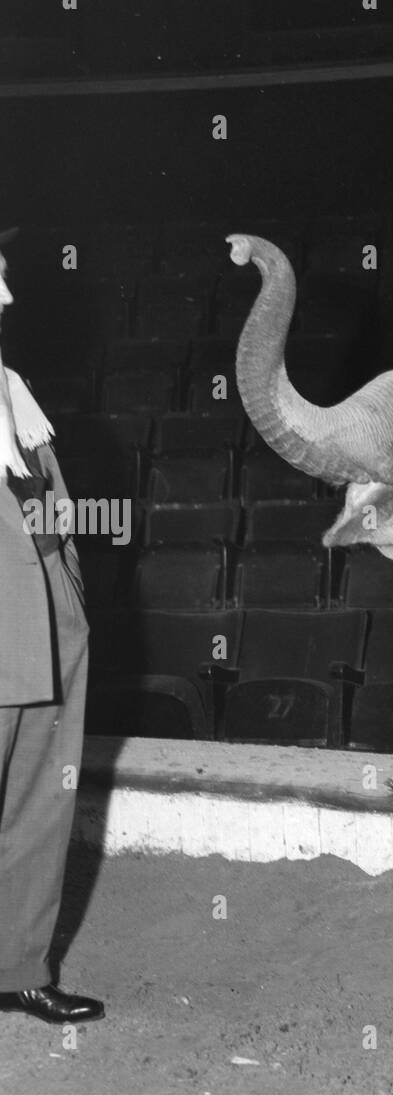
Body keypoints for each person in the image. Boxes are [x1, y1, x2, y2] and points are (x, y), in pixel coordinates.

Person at [0, 225, 103, 1024]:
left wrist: (66, 597)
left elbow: (50, 504)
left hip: (45, 619)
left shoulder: (12, 389)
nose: (5, 298)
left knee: (41, 799)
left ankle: (19, 968)